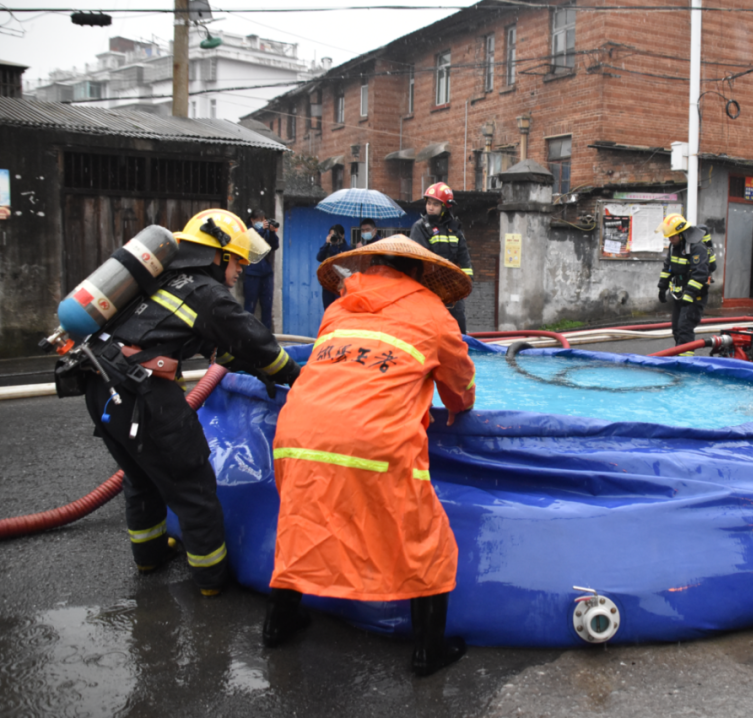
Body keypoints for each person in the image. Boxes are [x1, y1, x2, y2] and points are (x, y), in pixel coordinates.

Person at [263, 236, 476, 679]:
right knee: (425, 542)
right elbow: (458, 385)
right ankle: (427, 653)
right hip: (374, 444)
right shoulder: (435, 315)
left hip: (296, 434)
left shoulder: (339, 309)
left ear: (374, 264)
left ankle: (278, 622)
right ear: (419, 274)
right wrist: (460, 408)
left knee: (300, 524)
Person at [71, 209, 301, 597]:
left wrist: (253, 370)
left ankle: (150, 558)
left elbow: (222, 351)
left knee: (141, 478)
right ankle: (212, 583)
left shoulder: (161, 281)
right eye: (238, 262)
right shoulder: (204, 293)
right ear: (219, 255)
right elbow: (258, 345)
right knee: (193, 487)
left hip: (100, 386)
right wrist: (297, 378)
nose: (241, 270)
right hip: (143, 396)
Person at [410, 182, 473, 333]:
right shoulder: (420, 227)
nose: (430, 207)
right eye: (429, 203)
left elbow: (464, 258)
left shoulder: (454, 228)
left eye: (436, 204)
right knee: (431, 326)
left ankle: (461, 353)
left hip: (452, 288)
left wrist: (466, 284)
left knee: (457, 324)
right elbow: (420, 259)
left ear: (445, 207)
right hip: (429, 287)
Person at [656, 213, 714, 354]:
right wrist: (662, 287)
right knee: (676, 329)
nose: (670, 240)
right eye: (669, 237)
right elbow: (668, 267)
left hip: (695, 296)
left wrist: (689, 295)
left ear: (682, 234)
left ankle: (686, 365)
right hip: (680, 295)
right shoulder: (673, 246)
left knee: (685, 329)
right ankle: (679, 359)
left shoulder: (696, 248)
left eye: (673, 236)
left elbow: (700, 274)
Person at [243, 210, 280, 330]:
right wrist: (262, 230)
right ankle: (247, 334)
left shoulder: (266, 232)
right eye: (258, 220)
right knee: (250, 307)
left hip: (266, 273)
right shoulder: (248, 231)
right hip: (252, 273)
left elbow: (275, 246)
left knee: (267, 306)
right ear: (252, 220)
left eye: (263, 220)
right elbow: (254, 242)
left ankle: (266, 336)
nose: (261, 223)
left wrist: (272, 232)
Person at [316, 223, 350, 309]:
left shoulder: (347, 249)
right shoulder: (328, 247)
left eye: (336, 234)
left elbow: (338, 259)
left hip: (341, 285)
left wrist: (335, 247)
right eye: (331, 234)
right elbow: (319, 257)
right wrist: (326, 244)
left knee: (341, 310)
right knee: (328, 309)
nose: (334, 236)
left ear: (343, 236)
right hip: (328, 284)